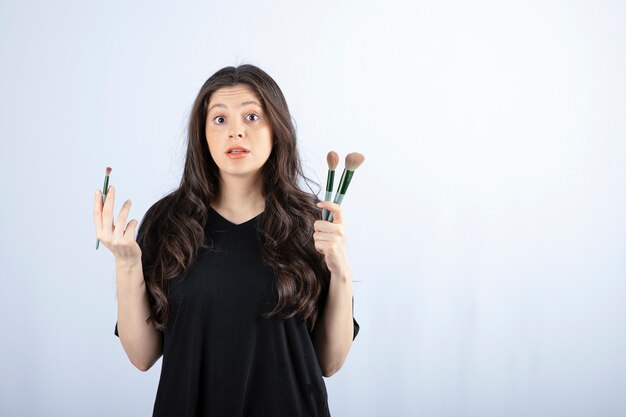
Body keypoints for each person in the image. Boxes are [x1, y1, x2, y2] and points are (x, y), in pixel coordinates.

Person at [93, 64, 359, 416]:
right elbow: (142, 357)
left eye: (251, 116)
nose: (236, 131)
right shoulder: (167, 223)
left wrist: (340, 270)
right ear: (202, 134)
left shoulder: (313, 224)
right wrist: (126, 263)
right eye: (220, 119)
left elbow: (330, 362)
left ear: (276, 129)